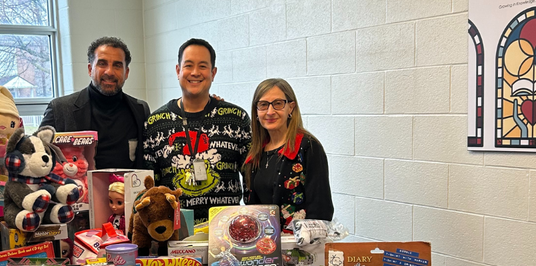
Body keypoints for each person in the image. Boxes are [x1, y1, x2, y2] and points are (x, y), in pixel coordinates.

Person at [143, 38, 251, 224]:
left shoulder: (236, 118)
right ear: (178, 70)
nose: (195, 72)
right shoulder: (155, 123)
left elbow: (251, 179)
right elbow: (150, 188)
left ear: (213, 72)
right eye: (188, 65)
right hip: (174, 233)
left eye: (202, 66)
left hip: (226, 231)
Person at [41, 37, 150, 170]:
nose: (109, 72)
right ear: (89, 69)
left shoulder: (140, 110)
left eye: (117, 65)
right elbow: (37, 156)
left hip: (128, 189)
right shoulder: (60, 110)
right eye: (102, 64)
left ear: (126, 72)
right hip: (77, 189)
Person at [242, 78, 332, 227]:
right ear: (256, 111)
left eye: (278, 104)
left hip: (300, 246)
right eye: (263, 105)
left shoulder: (308, 147)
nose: (270, 112)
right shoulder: (256, 152)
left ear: (290, 108)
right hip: (265, 243)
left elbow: (321, 209)